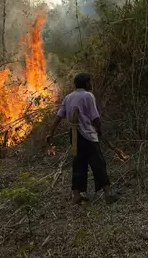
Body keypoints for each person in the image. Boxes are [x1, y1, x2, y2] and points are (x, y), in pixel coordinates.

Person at [46, 73, 121, 204]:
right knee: (98, 163)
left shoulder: (68, 97)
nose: (91, 84)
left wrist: (51, 133)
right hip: (87, 135)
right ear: (86, 84)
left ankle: (76, 195)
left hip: (74, 136)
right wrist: (99, 130)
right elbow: (95, 117)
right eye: (90, 82)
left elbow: (59, 116)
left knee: (78, 164)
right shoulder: (88, 96)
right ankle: (108, 193)